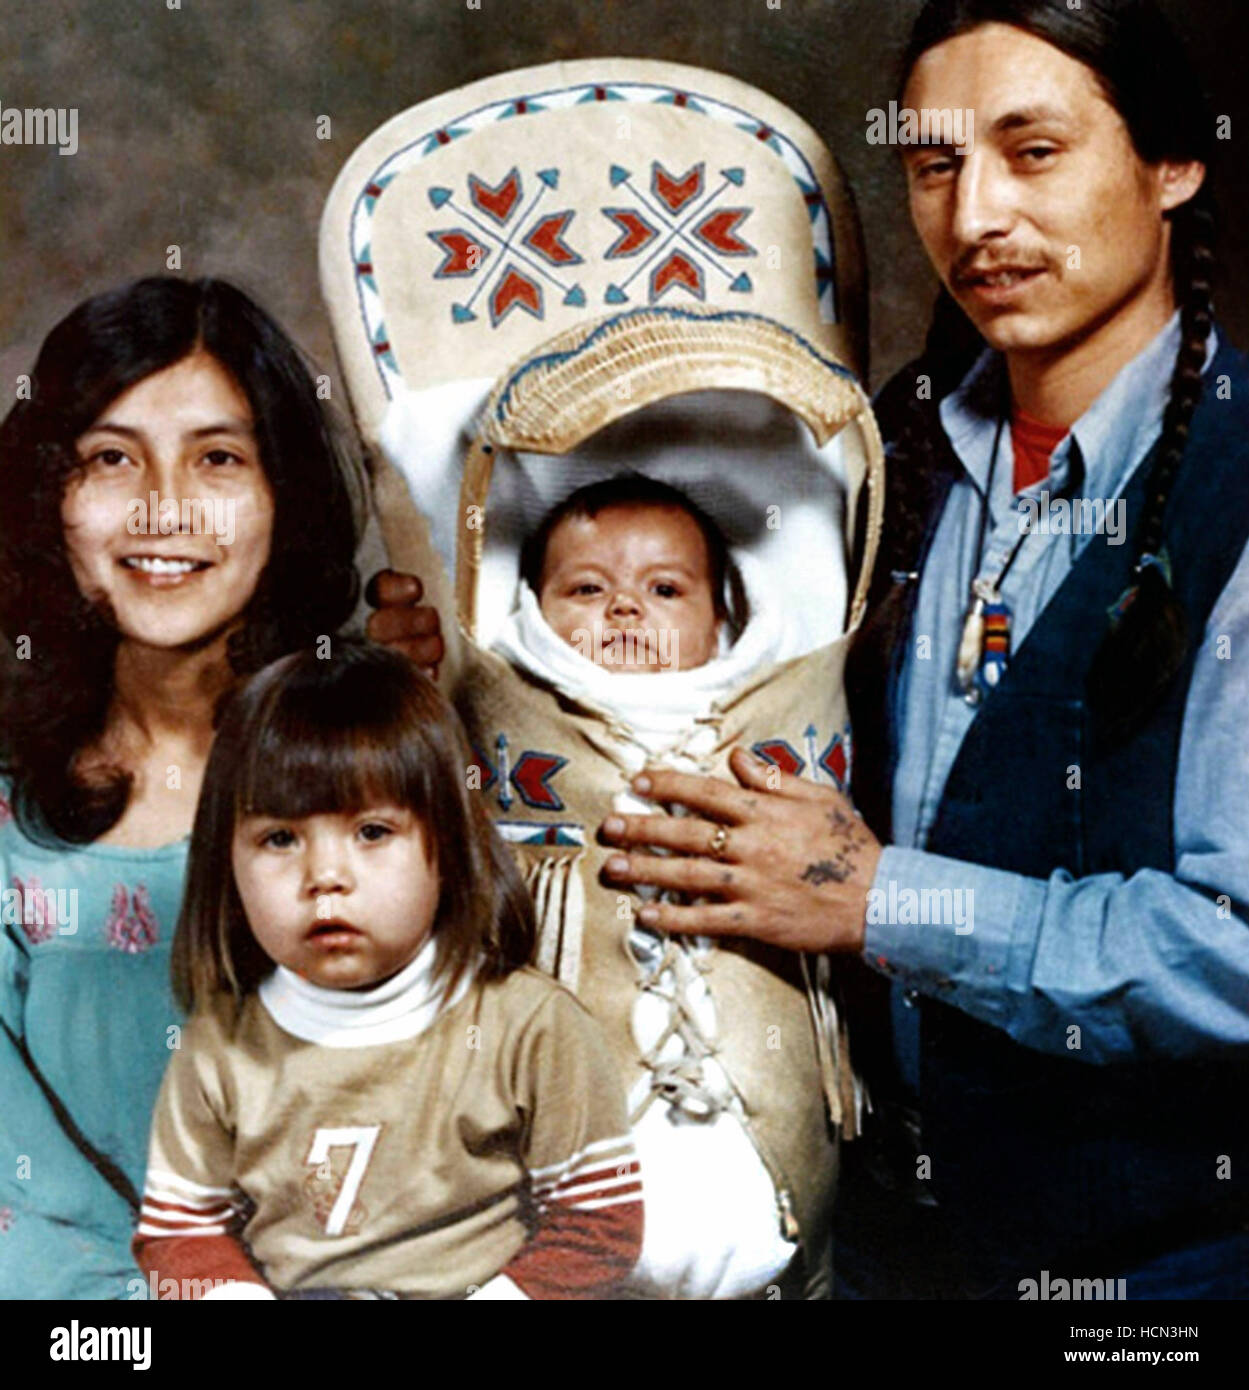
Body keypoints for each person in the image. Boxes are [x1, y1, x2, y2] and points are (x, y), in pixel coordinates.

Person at [577, 0, 1249, 1298]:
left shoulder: (1235, 487)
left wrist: (886, 902)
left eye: (1033, 151)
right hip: (888, 1238)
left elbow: (1233, 946)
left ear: (1172, 165)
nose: (977, 213)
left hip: (1162, 1266)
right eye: (936, 166)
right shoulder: (896, 449)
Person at [0, 277, 436, 1298]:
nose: (163, 509)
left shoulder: (386, 779)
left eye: (219, 459)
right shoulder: (13, 827)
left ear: (285, 496)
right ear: (47, 497)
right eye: (111, 458)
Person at [131, 640, 643, 1300]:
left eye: (371, 832)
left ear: (447, 846)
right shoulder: (218, 1044)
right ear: (224, 863)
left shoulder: (529, 1027)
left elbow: (598, 1226)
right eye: (279, 839)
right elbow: (180, 1231)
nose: (325, 878)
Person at [492, 471, 833, 1296]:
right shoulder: (490, 711)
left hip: (766, 1190)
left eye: (665, 588)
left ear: (724, 620)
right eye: (584, 587)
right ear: (532, 610)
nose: (623, 609)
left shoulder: (790, 713)